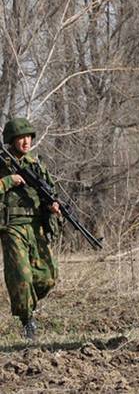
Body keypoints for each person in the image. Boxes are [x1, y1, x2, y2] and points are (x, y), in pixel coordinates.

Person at [0, 117, 61, 340]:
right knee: (21, 277)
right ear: (11, 140)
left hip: (35, 226)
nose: (26, 141)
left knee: (48, 276)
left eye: (28, 137)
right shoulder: (2, 164)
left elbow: (48, 194)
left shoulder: (36, 166)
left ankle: (26, 303)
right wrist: (9, 181)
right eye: (20, 138)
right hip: (12, 226)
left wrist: (53, 206)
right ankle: (27, 320)